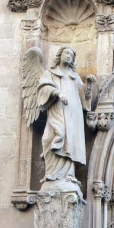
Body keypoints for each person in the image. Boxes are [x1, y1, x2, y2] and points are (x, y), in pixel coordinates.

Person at [37, 46, 92, 186]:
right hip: (57, 109)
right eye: (66, 53)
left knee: (70, 140)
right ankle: (52, 173)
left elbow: (83, 96)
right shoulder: (50, 73)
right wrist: (58, 93)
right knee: (50, 137)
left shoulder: (75, 77)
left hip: (73, 113)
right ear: (60, 55)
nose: (69, 56)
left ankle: (68, 174)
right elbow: (43, 88)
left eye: (71, 55)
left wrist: (89, 85)